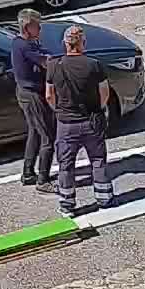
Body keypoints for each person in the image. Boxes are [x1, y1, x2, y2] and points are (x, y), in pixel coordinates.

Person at [46, 25, 112, 213]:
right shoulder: (94, 64)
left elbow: (49, 95)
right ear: (83, 43)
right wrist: (98, 109)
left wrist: (59, 111)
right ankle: (104, 198)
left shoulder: (54, 66)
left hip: (66, 124)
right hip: (91, 121)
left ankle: (67, 204)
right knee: (98, 160)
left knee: (66, 165)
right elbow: (104, 93)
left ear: (64, 44)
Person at [10, 9, 55, 191]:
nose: (40, 28)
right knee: (48, 138)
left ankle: (28, 173)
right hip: (32, 95)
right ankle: (43, 180)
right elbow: (46, 63)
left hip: (24, 92)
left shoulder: (21, 42)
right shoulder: (25, 47)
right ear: (28, 27)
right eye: (37, 25)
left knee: (35, 133)